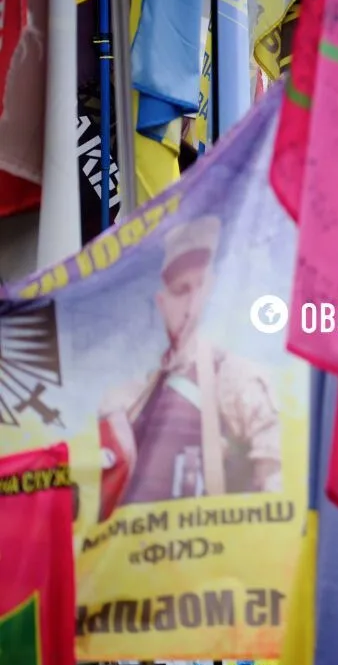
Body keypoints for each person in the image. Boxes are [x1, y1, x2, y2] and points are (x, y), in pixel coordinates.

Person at [97, 216, 283, 521]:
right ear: (161, 302)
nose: (193, 303)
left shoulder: (238, 380)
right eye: (181, 290)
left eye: (201, 287)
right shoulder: (129, 397)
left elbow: (277, 489)